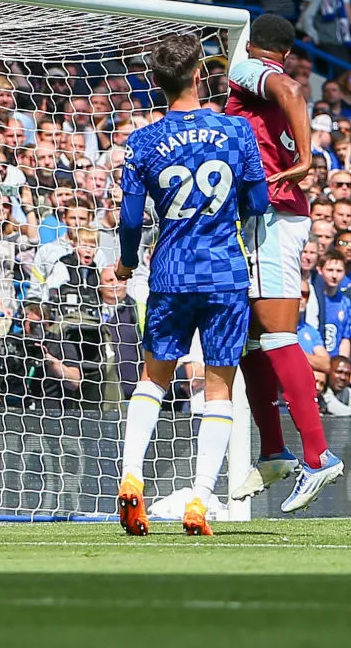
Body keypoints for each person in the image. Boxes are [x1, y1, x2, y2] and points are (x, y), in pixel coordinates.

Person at [115, 32, 270, 537]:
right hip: (225, 271)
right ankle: (201, 497)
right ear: (202, 75)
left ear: (155, 83)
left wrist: (125, 262)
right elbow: (258, 203)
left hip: (171, 271)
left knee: (153, 377)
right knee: (221, 386)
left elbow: (132, 219)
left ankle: (131, 476)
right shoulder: (237, 132)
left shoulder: (142, 141)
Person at [221, 14, 340, 511]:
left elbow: (290, 91)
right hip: (266, 215)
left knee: (277, 334)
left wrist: (306, 157)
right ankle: (273, 449)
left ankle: (319, 455)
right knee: (249, 336)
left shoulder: (246, 68)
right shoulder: (261, 88)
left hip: (269, 216)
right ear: (287, 50)